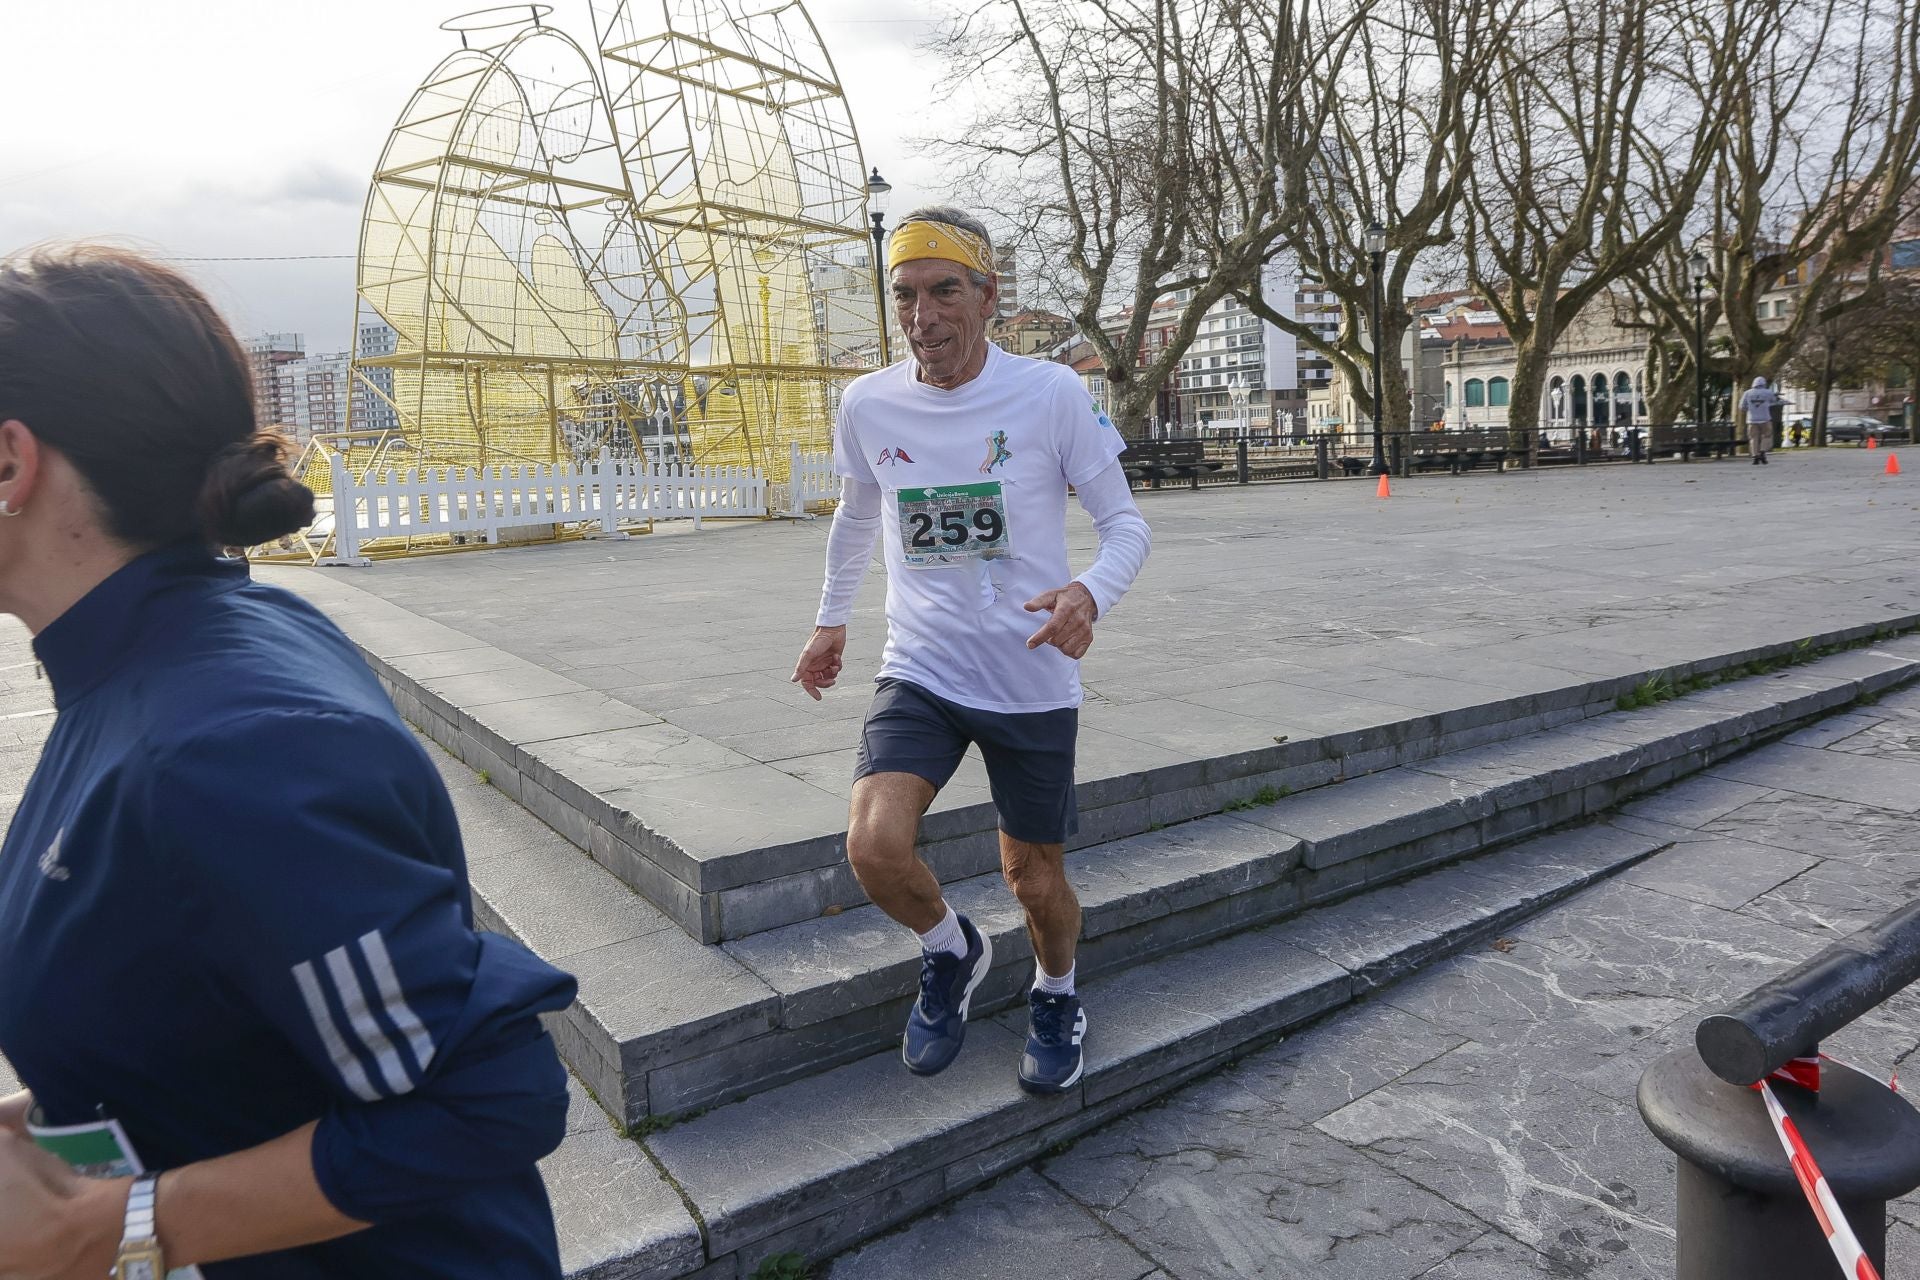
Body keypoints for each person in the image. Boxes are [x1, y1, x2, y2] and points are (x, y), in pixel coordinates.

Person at [0, 246, 577, 1279]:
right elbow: (220, 983)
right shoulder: (163, 649)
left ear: (12, 463)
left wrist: (106, 1230)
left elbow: (487, 1091)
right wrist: (60, 1109)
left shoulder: (229, 745)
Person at [789, 207, 1151, 1095]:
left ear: (987, 298)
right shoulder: (867, 401)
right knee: (873, 848)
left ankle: (1057, 993)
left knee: (1032, 880)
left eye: (945, 291)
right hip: (922, 667)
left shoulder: (1052, 394)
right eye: (906, 296)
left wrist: (1087, 594)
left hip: (1029, 674)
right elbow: (858, 511)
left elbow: (1125, 525)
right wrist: (832, 619)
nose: (923, 317)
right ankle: (951, 952)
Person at [1740, 375, 1782, 464]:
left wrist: (1750, 408)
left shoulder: (1747, 393)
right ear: (1764, 384)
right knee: (1767, 436)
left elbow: (1741, 407)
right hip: (1765, 418)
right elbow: (1775, 400)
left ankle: (1755, 456)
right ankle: (1763, 451)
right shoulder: (1768, 392)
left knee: (1753, 438)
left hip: (1752, 420)